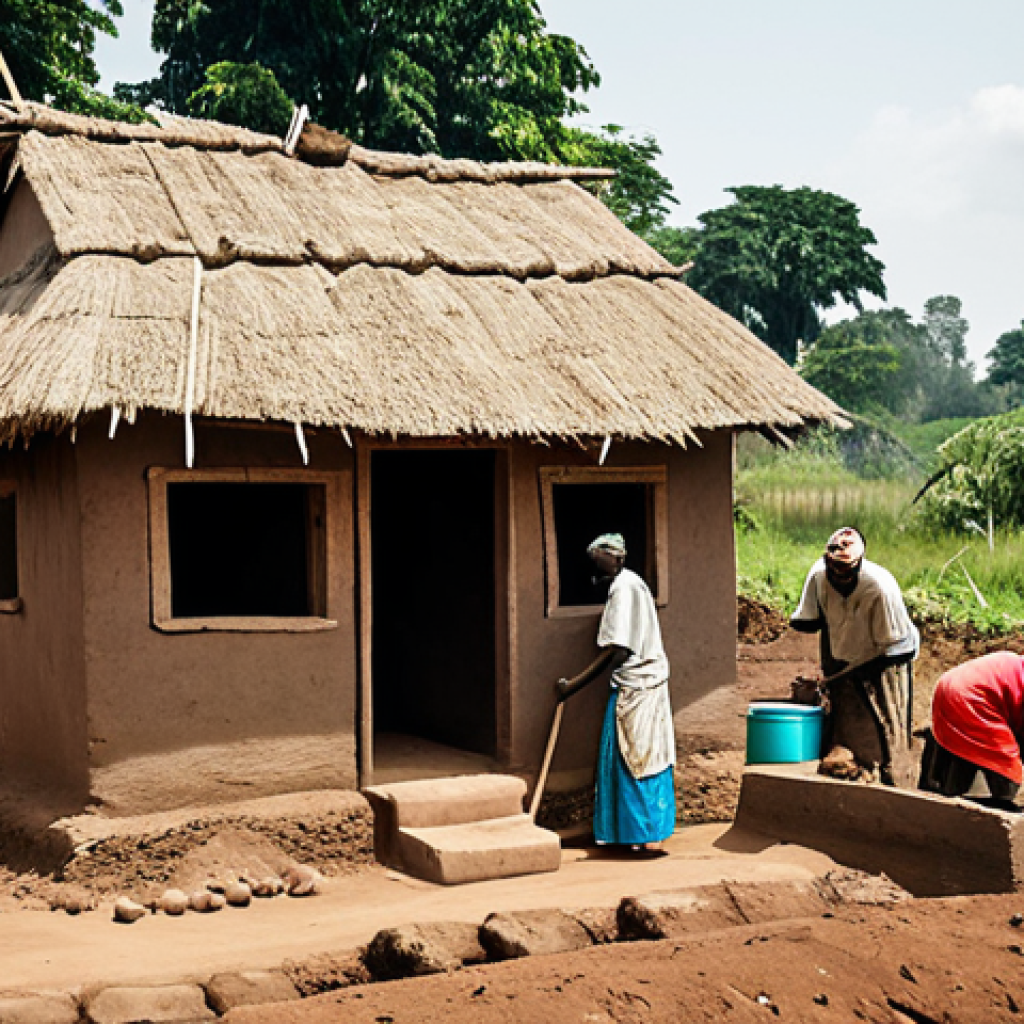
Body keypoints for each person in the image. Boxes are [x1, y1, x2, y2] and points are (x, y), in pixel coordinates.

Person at [556, 533, 676, 852]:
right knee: (641, 758)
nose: (596, 562)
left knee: (632, 759)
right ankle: (638, 836)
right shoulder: (632, 583)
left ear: (616, 557)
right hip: (643, 683)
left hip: (636, 686)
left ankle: (636, 838)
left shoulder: (623, 589)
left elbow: (618, 649)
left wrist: (574, 684)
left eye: (600, 556)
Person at [790, 526, 920, 786]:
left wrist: (853, 670)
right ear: (826, 560)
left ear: (859, 564)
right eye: (834, 568)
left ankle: (894, 772)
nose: (840, 576)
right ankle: (848, 757)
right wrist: (832, 674)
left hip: (891, 652)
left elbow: (887, 644)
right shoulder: (818, 576)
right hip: (847, 642)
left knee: (887, 713)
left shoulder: (879, 587)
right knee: (844, 703)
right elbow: (807, 621)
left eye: (847, 571)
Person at [919, 651, 1023, 812]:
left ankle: (945, 791)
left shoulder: (1015, 664)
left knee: (960, 750)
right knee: (1007, 771)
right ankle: (998, 816)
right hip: (972, 698)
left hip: (949, 686)